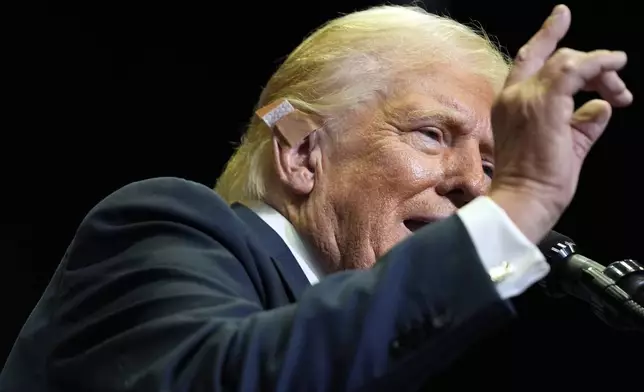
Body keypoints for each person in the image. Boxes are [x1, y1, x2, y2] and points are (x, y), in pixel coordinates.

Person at [1, 4, 631, 392]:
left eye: (495, 164)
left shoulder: (384, 353)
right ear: (301, 154)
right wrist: (521, 199)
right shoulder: (161, 222)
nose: (473, 183)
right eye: (434, 135)